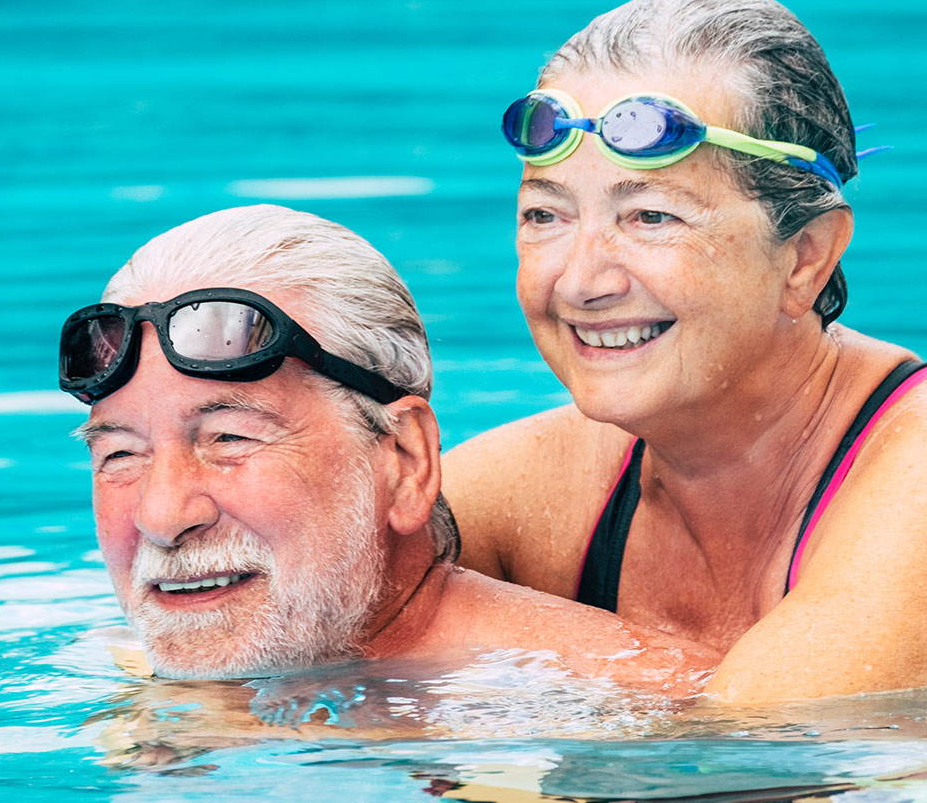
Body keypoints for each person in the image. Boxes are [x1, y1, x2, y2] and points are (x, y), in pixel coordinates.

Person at [446, 0, 927, 703]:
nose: (580, 280)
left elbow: (746, 753)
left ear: (806, 255)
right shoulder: (549, 488)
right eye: (544, 215)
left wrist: (437, 614)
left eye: (651, 217)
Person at [60, 204, 719, 693]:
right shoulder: (111, 671)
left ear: (405, 461)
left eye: (230, 439)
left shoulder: (633, 703)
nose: (162, 514)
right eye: (121, 456)